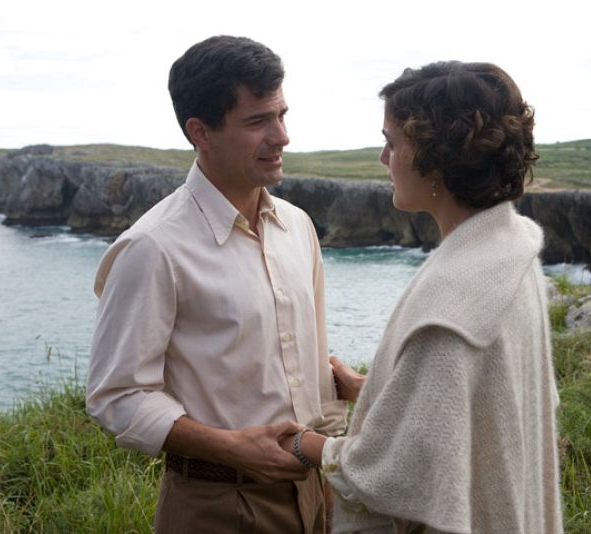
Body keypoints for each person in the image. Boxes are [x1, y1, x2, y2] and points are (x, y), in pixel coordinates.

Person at [282, 61, 564, 533]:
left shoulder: (450, 301)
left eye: (392, 143)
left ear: (435, 158)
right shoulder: (513, 251)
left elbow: (395, 474)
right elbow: (480, 401)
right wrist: (373, 390)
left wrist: (303, 444)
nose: (383, 158)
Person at [86, 35, 347, 533]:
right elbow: (116, 395)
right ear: (200, 132)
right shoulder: (152, 247)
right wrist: (231, 448)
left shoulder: (298, 226)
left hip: (315, 491)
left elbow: (313, 360)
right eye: (258, 121)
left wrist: (329, 468)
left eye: (282, 114)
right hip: (216, 505)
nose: (282, 136)